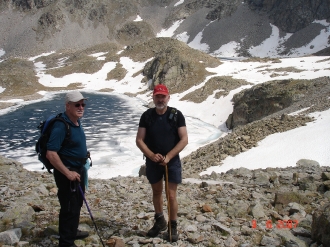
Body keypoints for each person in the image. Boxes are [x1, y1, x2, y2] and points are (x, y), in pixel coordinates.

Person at [136, 84, 188, 242]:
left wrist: (169, 156)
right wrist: (152, 156)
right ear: (153, 97)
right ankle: (160, 222)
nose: (160, 99)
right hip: (153, 162)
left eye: (162, 96)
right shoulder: (147, 116)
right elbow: (139, 140)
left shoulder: (176, 115)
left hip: (171, 162)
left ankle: (173, 226)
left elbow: (184, 139)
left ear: (168, 97)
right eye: (157, 96)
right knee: (157, 192)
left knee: (171, 196)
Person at [46, 91, 90, 247]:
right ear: (68, 106)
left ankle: (72, 230)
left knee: (76, 202)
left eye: (82, 104)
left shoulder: (75, 121)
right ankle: (66, 242)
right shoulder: (61, 125)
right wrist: (67, 173)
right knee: (69, 206)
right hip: (67, 171)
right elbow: (51, 153)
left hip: (77, 170)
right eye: (77, 104)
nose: (81, 107)